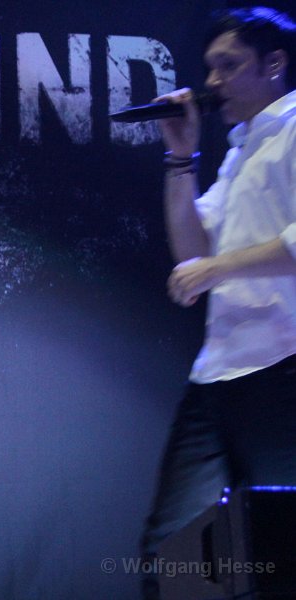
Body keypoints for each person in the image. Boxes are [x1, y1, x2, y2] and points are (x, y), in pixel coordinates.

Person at [141, 6, 296, 598]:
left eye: (227, 66)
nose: (212, 82)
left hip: (282, 370)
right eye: (210, 68)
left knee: (278, 550)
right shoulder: (240, 149)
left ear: (274, 63)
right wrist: (181, 157)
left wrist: (218, 267)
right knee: (171, 550)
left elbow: (214, 263)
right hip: (218, 375)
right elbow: (192, 252)